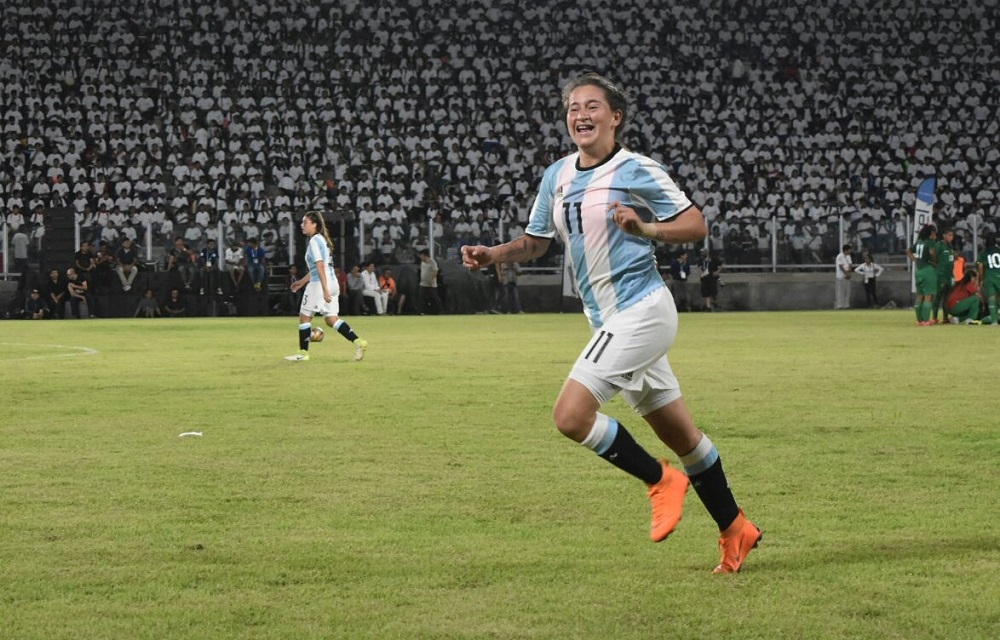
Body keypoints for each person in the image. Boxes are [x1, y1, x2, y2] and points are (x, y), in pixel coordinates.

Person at [460, 71, 760, 574]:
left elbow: (695, 223)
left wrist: (646, 228)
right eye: (573, 107)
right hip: (606, 320)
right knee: (684, 438)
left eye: (592, 106)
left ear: (615, 117)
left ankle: (661, 481)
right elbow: (537, 241)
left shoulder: (636, 169)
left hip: (642, 310)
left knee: (570, 416)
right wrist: (494, 254)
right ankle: (736, 529)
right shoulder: (557, 175)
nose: (581, 114)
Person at [285, 211, 367, 362]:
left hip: (319, 285)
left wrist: (324, 289)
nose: (302, 225)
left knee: (304, 318)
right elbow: (318, 268)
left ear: (314, 224)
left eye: (305, 222)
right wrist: (302, 282)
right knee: (331, 320)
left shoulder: (314, 241)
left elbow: (320, 266)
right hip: (332, 282)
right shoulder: (322, 240)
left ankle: (303, 353)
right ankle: (359, 342)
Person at [906, 224, 938, 326]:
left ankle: (919, 320)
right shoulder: (930, 242)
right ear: (931, 233)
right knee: (928, 296)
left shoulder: (919, 242)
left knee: (920, 296)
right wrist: (935, 262)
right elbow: (932, 252)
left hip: (918, 270)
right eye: (934, 232)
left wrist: (915, 259)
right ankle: (926, 320)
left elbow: (908, 251)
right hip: (928, 269)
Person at [932, 228, 955, 323]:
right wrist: (937, 266)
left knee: (947, 297)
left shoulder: (950, 246)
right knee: (938, 296)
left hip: (949, 275)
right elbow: (933, 256)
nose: (951, 238)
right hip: (941, 275)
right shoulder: (939, 245)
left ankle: (945, 318)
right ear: (944, 236)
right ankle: (934, 318)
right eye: (949, 235)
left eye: (952, 236)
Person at [976, 235, 1000, 325]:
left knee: (991, 297)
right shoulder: (999, 250)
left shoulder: (983, 253)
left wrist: (981, 280)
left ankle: (994, 321)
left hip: (989, 276)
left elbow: (980, 267)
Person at [418, 248, 442, 315]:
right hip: (423, 283)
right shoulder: (422, 262)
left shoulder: (432, 262)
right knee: (421, 298)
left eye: (421, 255)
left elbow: (435, 271)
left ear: (425, 255)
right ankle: (421, 311)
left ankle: (440, 310)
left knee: (435, 297)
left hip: (431, 284)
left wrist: (431, 280)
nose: (420, 257)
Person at [834, 244, 853, 309]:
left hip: (847, 276)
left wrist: (849, 272)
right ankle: (840, 305)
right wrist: (846, 273)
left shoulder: (848, 256)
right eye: (849, 250)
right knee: (840, 291)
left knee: (847, 291)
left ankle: (846, 305)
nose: (850, 251)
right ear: (846, 250)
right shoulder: (839, 256)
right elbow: (840, 266)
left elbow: (850, 264)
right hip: (841, 276)